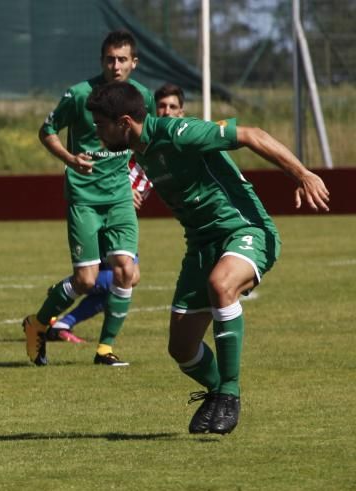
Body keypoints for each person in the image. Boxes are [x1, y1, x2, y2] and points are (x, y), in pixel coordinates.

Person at [85, 80, 329, 434]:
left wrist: (303, 174)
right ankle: (217, 391)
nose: (96, 132)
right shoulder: (138, 151)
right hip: (201, 246)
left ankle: (230, 393)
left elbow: (252, 134)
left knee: (221, 285)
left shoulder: (179, 131)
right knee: (181, 348)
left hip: (245, 231)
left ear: (124, 122)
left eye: (101, 124)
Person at [22, 30, 157, 367]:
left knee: (128, 271)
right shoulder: (80, 94)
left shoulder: (143, 97)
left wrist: (140, 183)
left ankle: (104, 349)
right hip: (84, 198)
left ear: (134, 63)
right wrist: (69, 159)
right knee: (86, 280)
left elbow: (146, 143)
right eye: (110, 59)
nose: (116, 65)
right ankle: (37, 324)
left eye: (122, 59)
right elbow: (46, 130)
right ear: (101, 61)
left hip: (120, 198)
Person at [48, 83, 186, 339]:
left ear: (182, 112)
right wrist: (127, 187)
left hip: (121, 209)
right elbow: (118, 158)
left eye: (172, 107)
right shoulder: (136, 133)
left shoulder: (174, 137)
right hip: (109, 205)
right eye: (162, 106)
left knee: (125, 275)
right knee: (115, 276)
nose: (166, 111)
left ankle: (64, 320)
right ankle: (63, 299)